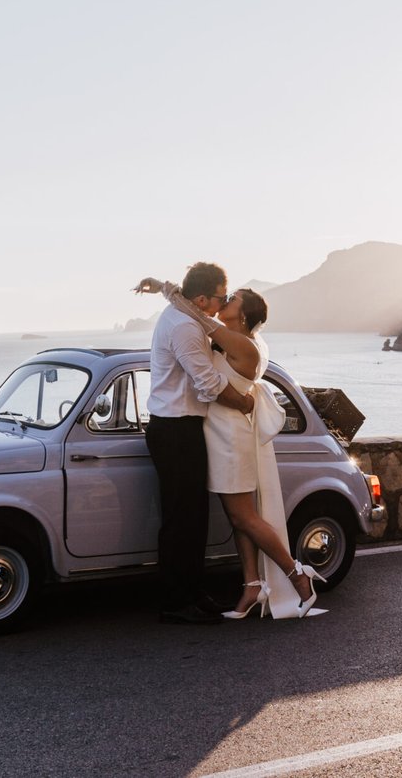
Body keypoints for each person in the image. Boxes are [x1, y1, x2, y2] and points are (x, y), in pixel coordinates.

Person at [136, 277, 325, 619]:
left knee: (242, 516)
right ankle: (252, 586)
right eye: (225, 295)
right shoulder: (231, 339)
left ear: (243, 314)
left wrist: (169, 291)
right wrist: (164, 287)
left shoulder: (244, 346)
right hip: (216, 434)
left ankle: (298, 576)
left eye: (233, 298)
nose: (226, 300)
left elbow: (198, 315)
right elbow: (194, 310)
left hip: (230, 437)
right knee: (236, 516)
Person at [140, 262, 255, 625]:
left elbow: (175, 292)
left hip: (183, 428)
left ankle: (192, 591)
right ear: (202, 298)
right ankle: (176, 601)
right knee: (180, 518)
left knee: (194, 516)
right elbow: (208, 384)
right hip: (174, 429)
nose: (222, 303)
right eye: (221, 296)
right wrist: (245, 402)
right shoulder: (185, 327)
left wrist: (160, 284)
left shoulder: (184, 311)